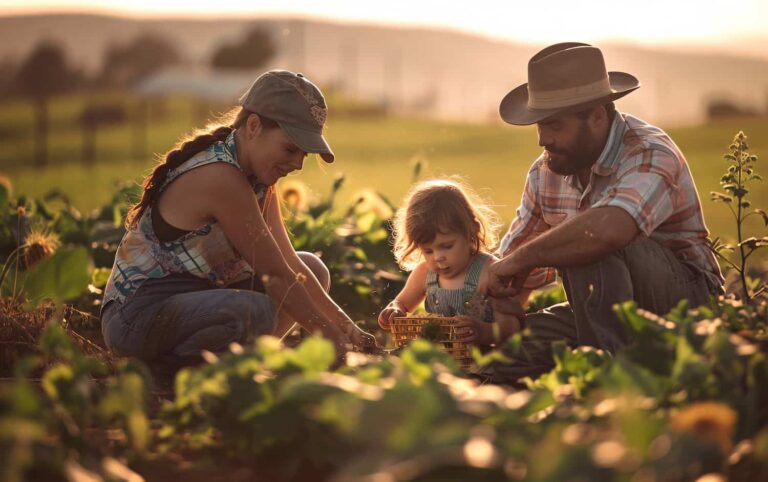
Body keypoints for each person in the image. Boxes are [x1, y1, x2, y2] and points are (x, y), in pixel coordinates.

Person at [101, 70, 374, 378]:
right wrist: (328, 335)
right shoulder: (220, 178)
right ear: (254, 126)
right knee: (252, 311)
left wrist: (345, 326)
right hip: (136, 319)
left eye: (304, 153)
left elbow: (288, 265)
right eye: (290, 148)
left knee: (312, 268)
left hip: (194, 302)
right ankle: (177, 374)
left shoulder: (257, 179)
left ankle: (238, 364)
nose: (298, 163)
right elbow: (274, 277)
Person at [479, 43, 725, 382]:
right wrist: (500, 312)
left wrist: (519, 261)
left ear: (597, 115)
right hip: (599, 310)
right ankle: (599, 359)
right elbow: (511, 269)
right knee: (508, 355)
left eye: (553, 125)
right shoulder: (545, 172)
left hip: (686, 307)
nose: (542, 139)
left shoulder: (650, 151)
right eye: (539, 125)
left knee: (587, 240)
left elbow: (609, 231)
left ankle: (609, 384)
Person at [378, 179, 524, 346]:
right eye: (428, 251)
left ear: (471, 231)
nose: (438, 257)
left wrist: (484, 332)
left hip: (486, 358)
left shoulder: (489, 273)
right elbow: (402, 303)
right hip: (440, 360)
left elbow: (512, 328)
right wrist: (394, 311)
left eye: (446, 246)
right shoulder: (425, 274)